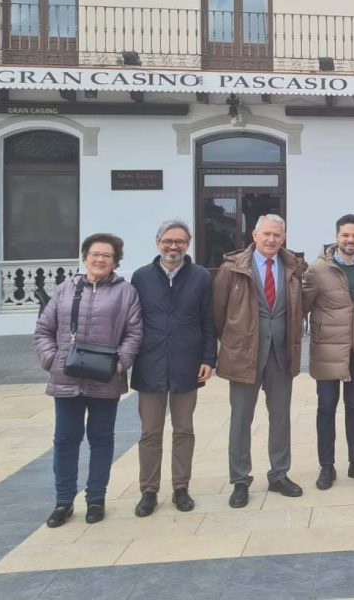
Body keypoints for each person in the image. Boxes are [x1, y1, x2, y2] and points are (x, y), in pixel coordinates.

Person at [33, 233, 142, 527]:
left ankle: (96, 498)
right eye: (95, 253)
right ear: (85, 256)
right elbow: (43, 329)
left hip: (105, 379)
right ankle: (63, 501)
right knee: (66, 441)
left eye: (107, 255)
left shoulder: (125, 292)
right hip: (66, 379)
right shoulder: (65, 290)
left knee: (102, 440)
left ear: (115, 261)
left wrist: (120, 364)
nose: (100, 259)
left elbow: (134, 332)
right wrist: (51, 359)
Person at [214, 214, 307, 509]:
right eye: (266, 234)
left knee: (280, 419)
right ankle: (240, 480)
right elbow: (219, 312)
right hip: (245, 355)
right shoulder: (233, 268)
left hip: (281, 354)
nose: (271, 240)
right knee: (241, 419)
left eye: (277, 235)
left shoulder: (292, 268)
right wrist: (234, 342)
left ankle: (279, 474)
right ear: (254, 235)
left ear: (284, 238)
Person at [129, 220, 216, 517]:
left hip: (186, 363)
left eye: (179, 241)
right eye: (168, 241)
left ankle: (181, 487)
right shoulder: (141, 277)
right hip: (149, 362)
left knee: (184, 429)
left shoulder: (201, 277)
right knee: (150, 432)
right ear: (158, 243)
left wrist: (209, 359)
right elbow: (132, 321)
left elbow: (208, 321)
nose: (173, 246)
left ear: (187, 244)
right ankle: (148, 490)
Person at [304, 214, 354, 490]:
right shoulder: (316, 270)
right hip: (327, 351)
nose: (350, 240)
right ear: (337, 236)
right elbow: (303, 307)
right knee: (326, 408)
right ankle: (327, 466)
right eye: (345, 235)